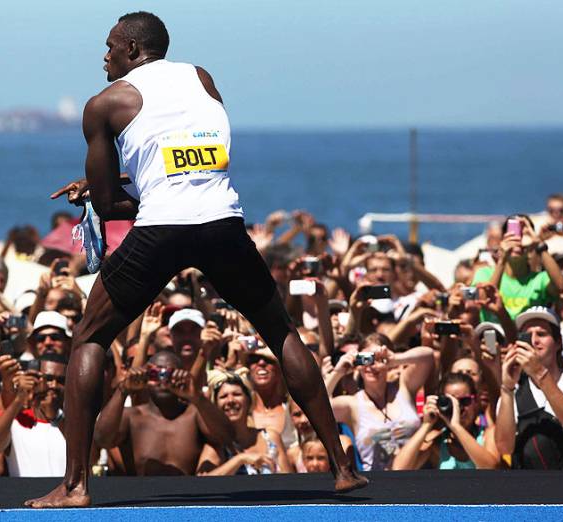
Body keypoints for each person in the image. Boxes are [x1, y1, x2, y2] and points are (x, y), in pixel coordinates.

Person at [28, 13, 365, 506]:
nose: (103, 57)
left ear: (132, 49)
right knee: (280, 332)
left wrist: (112, 192)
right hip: (222, 223)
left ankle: (75, 486)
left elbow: (107, 207)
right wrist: (135, 186)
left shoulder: (103, 104)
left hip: (162, 228)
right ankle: (341, 469)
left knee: (90, 338)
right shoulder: (201, 78)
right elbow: (189, 158)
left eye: (109, 47)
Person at [92, 351, 232, 477]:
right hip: (143, 500)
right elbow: (102, 439)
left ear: (181, 375)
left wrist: (196, 397)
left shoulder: (194, 415)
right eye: (155, 374)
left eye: (169, 374)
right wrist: (123, 390)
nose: (162, 381)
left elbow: (227, 438)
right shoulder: (132, 417)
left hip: (187, 500)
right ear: (145, 377)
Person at [495, 306, 563, 469]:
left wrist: (539, 373)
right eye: (528, 336)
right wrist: (507, 389)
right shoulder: (512, 394)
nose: (534, 341)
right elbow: (504, 447)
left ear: (558, 343)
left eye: (542, 334)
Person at [324, 333, 434, 470]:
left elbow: (428, 356)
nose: (371, 366)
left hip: (419, 479)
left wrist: (396, 359)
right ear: (358, 363)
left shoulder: (403, 387)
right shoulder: (352, 405)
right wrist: (338, 372)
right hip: (378, 485)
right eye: (366, 359)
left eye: (378, 360)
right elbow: (318, 408)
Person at [0, 353, 69, 477]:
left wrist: (56, 417)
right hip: (26, 495)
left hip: (65, 495)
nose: (54, 385)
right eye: (48, 379)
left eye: (61, 381)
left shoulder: (75, 422)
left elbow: (91, 458)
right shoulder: (16, 421)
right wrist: (20, 398)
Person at [393, 373, 500, 470]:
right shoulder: (437, 442)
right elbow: (399, 469)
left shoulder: (488, 434)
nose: (459, 408)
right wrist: (426, 425)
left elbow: (491, 469)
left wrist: (456, 427)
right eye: (451, 403)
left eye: (464, 401)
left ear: (476, 401)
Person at [198, 368, 292, 475]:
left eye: (237, 394)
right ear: (216, 405)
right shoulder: (217, 445)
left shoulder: (270, 437)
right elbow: (201, 484)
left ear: (249, 401)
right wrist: (240, 459)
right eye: (223, 396)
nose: (230, 401)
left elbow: (289, 481)